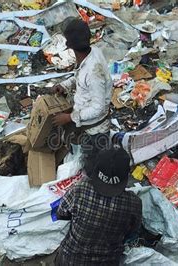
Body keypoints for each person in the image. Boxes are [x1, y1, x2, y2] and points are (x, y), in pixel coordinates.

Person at [55, 148, 142, 266]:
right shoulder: (134, 203)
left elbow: (61, 213)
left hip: (69, 261)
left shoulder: (79, 190)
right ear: (126, 174)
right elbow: (132, 232)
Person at [51, 18, 112, 158]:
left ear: (69, 45)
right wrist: (65, 85)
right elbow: (81, 78)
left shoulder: (93, 72)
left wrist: (69, 117)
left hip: (95, 130)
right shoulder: (93, 52)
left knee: (94, 163)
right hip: (85, 120)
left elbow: (98, 108)